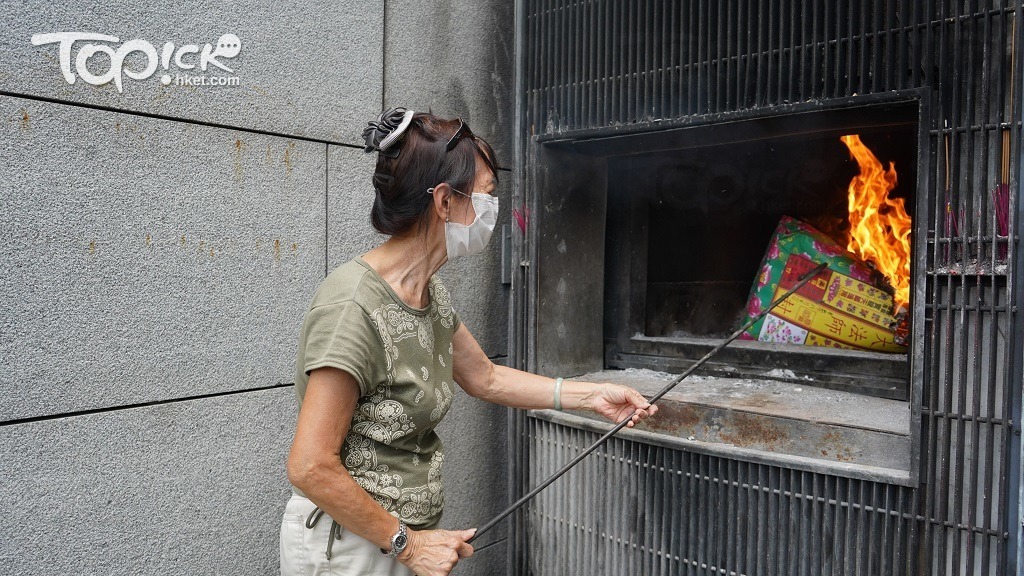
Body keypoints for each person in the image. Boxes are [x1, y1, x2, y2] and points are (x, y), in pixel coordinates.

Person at [281, 108, 658, 576]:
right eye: (485, 197)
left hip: (397, 541)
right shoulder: (353, 307)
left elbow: (486, 377)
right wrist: (408, 545)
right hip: (351, 548)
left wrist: (592, 396)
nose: (492, 211)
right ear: (443, 202)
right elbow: (310, 464)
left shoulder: (429, 292)